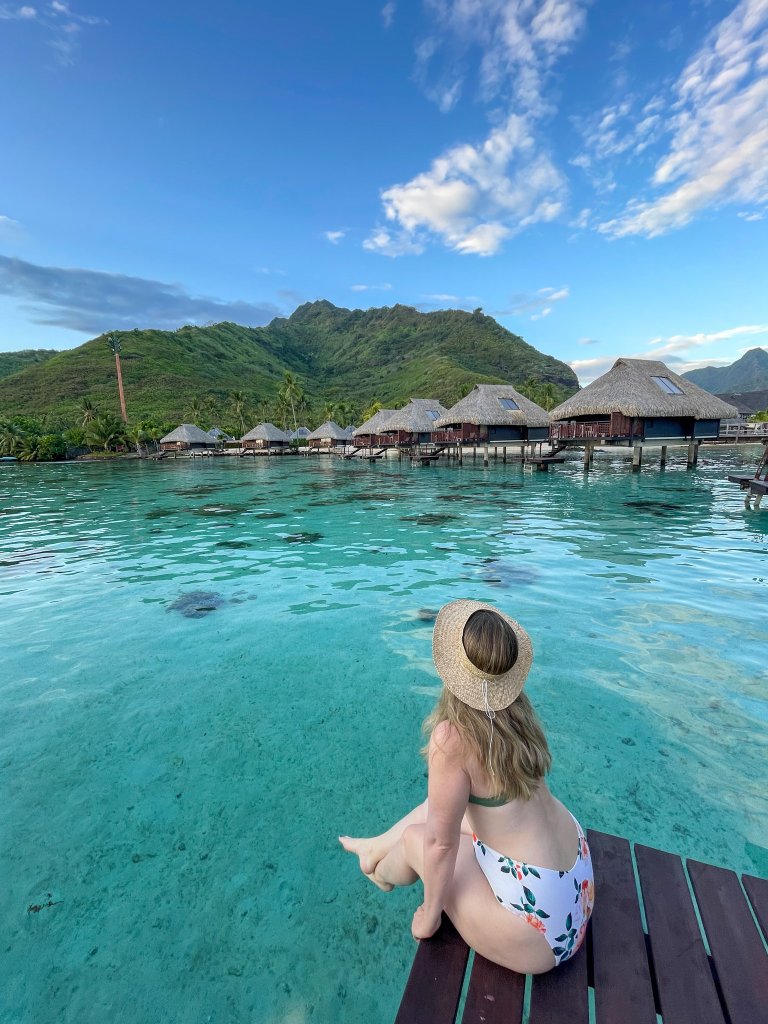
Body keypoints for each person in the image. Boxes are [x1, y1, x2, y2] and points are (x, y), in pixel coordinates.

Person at [340, 599, 594, 974]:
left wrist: (429, 916)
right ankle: (374, 847)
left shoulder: (452, 738)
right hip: (577, 883)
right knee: (449, 811)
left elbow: (440, 845)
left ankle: (379, 873)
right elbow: (452, 817)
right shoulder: (519, 714)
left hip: (540, 934)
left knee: (418, 840)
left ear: (452, 668)